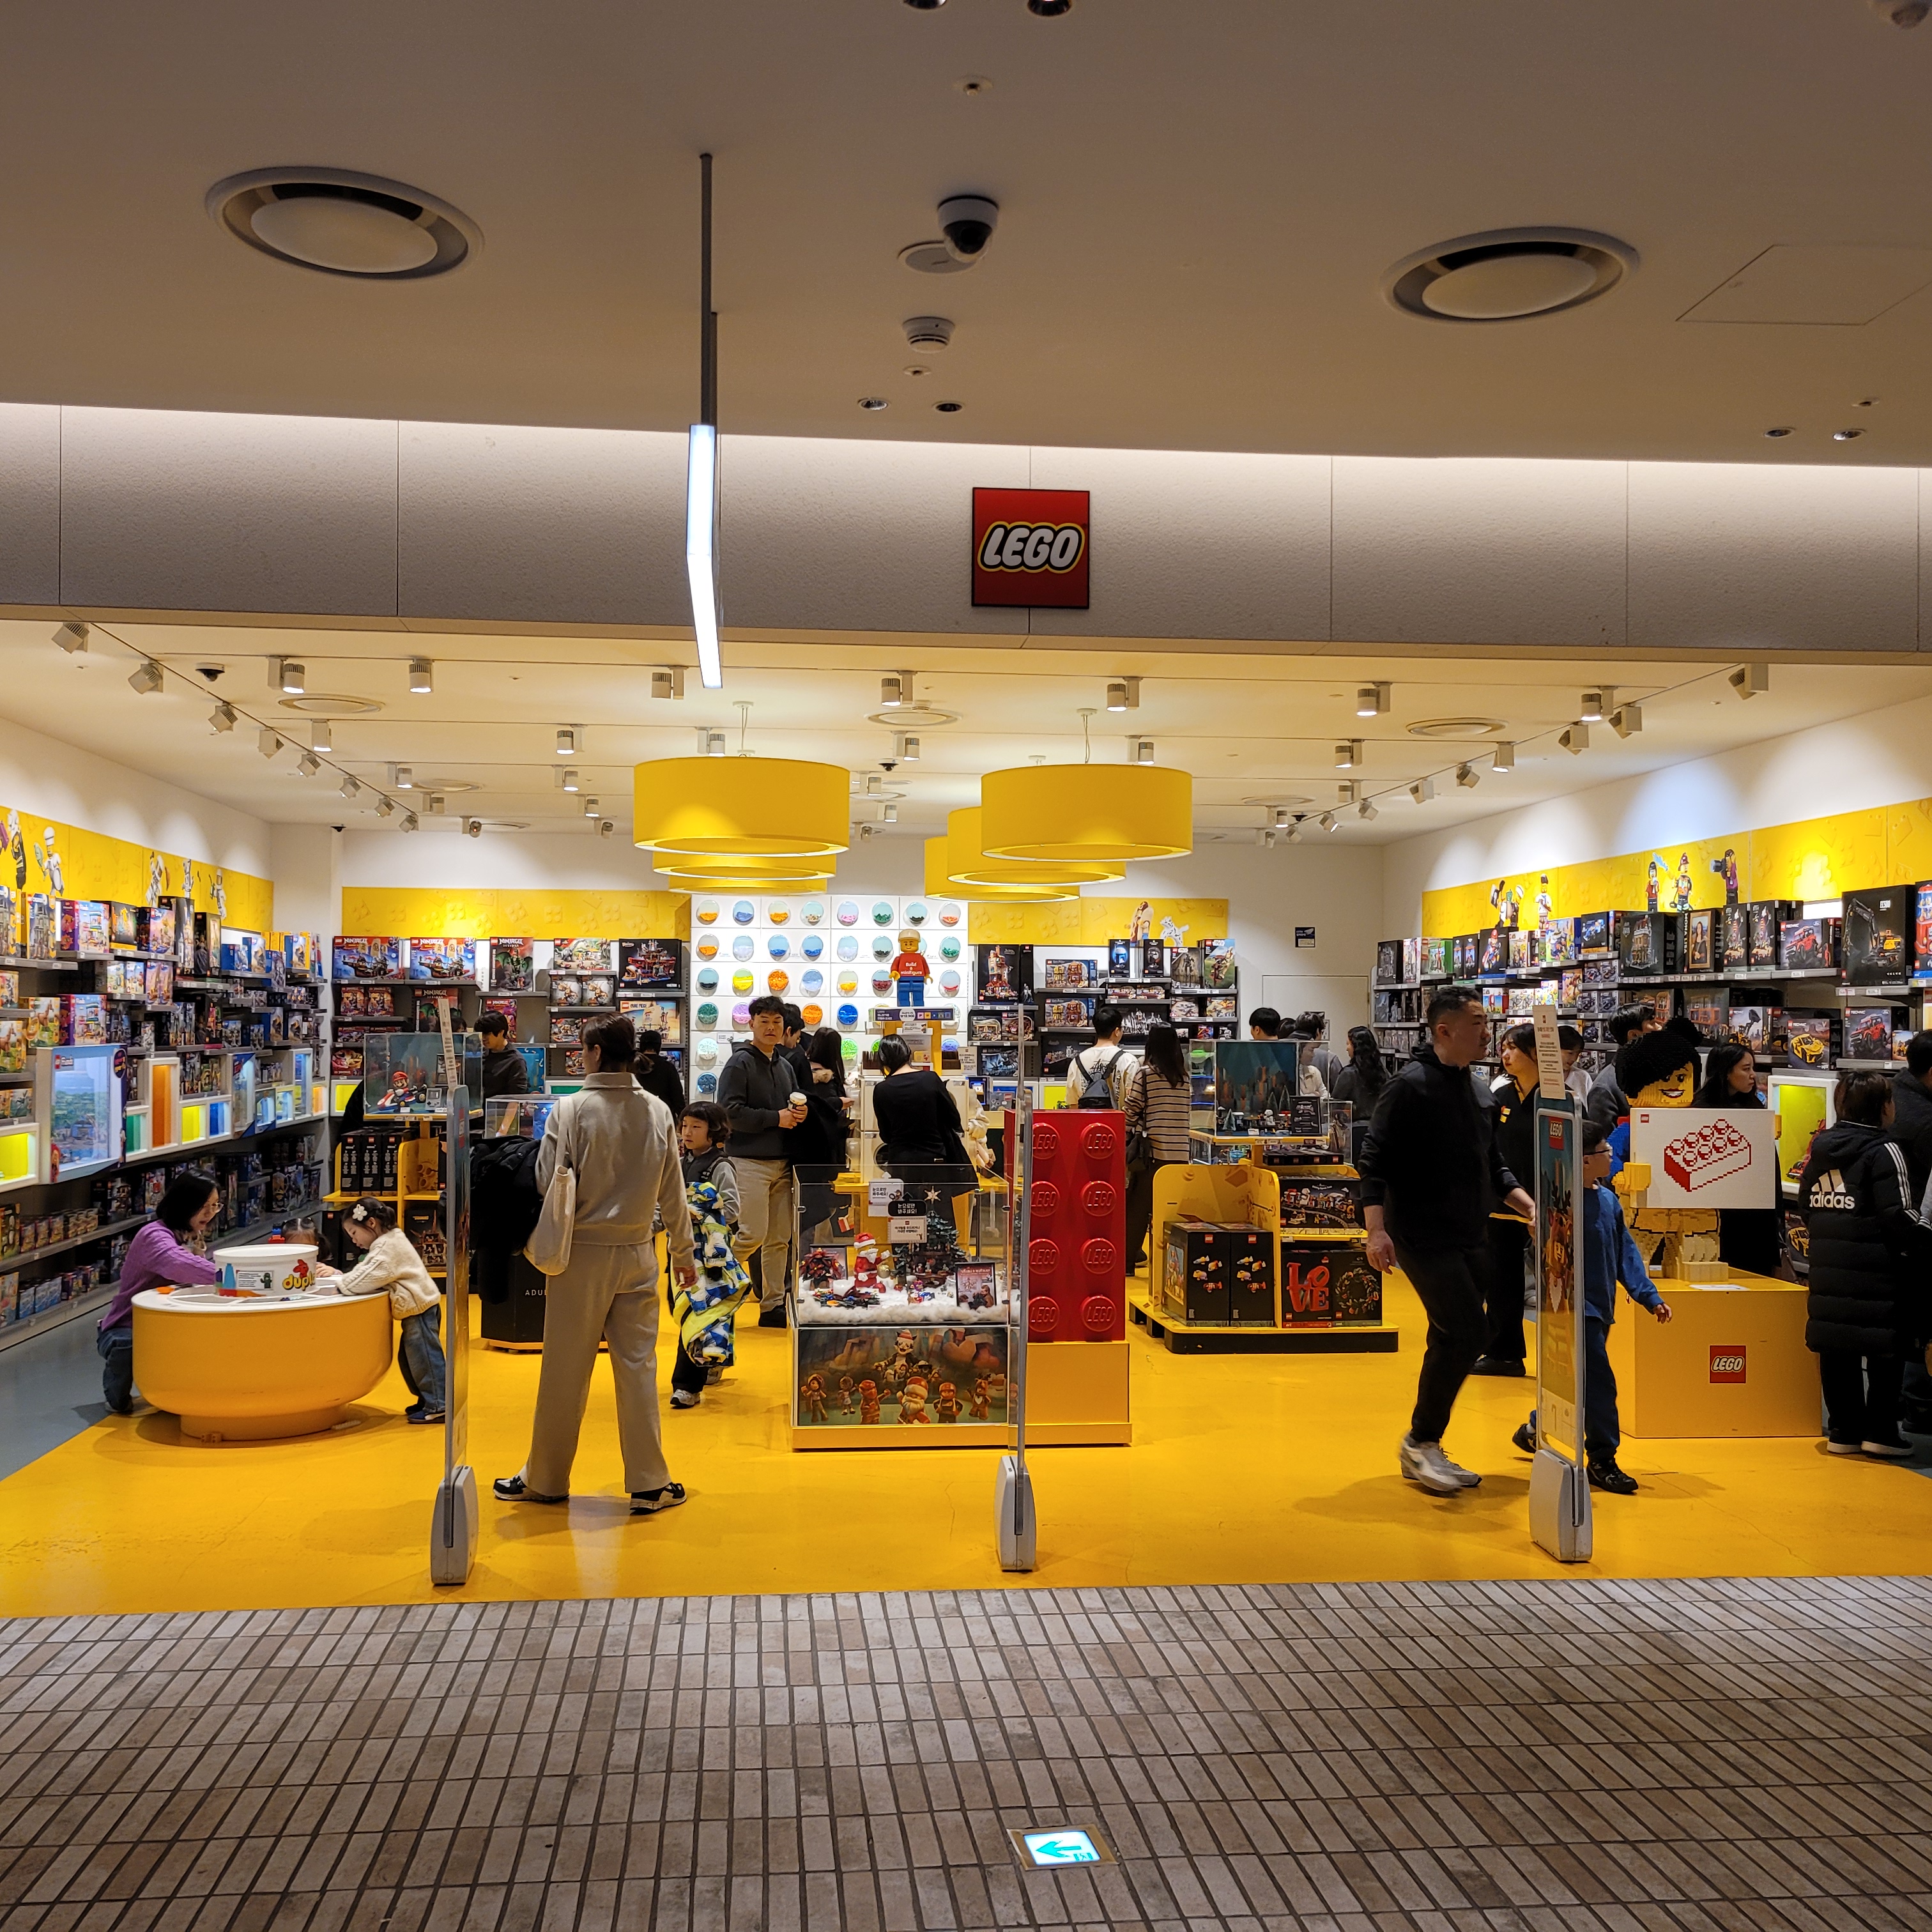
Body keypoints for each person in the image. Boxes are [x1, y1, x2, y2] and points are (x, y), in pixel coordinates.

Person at [493, 1013, 695, 1514]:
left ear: (597, 1053)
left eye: (583, 1049)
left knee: (565, 1370)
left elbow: (547, 1178)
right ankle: (649, 1483)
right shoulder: (657, 1110)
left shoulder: (571, 1109)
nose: (580, 1056)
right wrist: (684, 1253)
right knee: (639, 1368)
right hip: (639, 1252)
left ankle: (546, 1478)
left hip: (579, 1256)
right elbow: (673, 1189)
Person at [1359, 985, 1537, 1496]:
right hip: (1420, 1234)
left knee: (1453, 1334)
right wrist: (1376, 1231)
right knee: (1466, 1331)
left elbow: (1493, 1164)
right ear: (1444, 1030)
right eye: (1477, 1024)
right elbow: (1374, 1161)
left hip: (1471, 1232)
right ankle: (1420, 1440)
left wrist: (1528, 1206)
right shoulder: (1409, 1088)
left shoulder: (1480, 1091)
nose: (1487, 1033)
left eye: (1487, 1023)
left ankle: (1426, 1445)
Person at [1510, 1119, 1671, 1495]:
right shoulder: (1559, 1205)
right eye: (1604, 1151)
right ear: (1583, 1160)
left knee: (1575, 1380)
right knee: (1599, 1385)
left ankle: (1535, 1426)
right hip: (1572, 1311)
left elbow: (1625, 1252)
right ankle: (1602, 1459)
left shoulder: (1609, 1201)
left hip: (1601, 1309)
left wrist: (1649, 1296)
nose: (1611, 1154)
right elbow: (1542, 1259)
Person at [1798, 1070, 1932, 1458]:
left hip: (1827, 1269)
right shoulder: (1885, 1150)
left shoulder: (1821, 1147)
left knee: (1836, 1348)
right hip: (1879, 1272)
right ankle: (1881, 1432)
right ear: (1882, 1107)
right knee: (1884, 1349)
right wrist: (1927, 1234)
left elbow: (1807, 1204)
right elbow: (1899, 1216)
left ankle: (1843, 1431)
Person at [96, 1171, 222, 1414]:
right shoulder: (153, 1236)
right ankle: (115, 1395)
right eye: (203, 1206)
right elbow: (179, 1264)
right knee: (126, 1345)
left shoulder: (191, 1234)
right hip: (129, 1325)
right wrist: (235, 1275)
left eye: (215, 1206)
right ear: (184, 1205)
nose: (210, 1213)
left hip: (170, 1322)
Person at [717, 993, 807, 1326]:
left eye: (777, 1022)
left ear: (784, 1027)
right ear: (751, 1023)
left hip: (782, 1162)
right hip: (748, 1161)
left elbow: (791, 1107)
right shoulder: (739, 1063)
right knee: (752, 1234)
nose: (771, 1027)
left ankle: (772, 1306)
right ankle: (712, 1284)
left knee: (779, 1240)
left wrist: (799, 1115)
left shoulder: (785, 1066)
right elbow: (729, 1112)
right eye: (764, 1021)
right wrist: (776, 1118)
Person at [316, 1195, 445, 1422]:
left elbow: (365, 1277)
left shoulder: (386, 1248)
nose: (354, 1240)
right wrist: (340, 1275)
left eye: (354, 1233)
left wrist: (341, 1283)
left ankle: (438, 1404)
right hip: (419, 1307)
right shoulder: (389, 1240)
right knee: (412, 1359)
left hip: (419, 1309)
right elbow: (367, 1269)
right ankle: (429, 1399)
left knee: (424, 1357)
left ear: (371, 1224)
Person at [668, 1101, 751, 1411]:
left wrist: (697, 1212)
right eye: (684, 1126)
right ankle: (712, 1358)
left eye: (696, 1127)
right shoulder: (680, 1162)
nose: (687, 1132)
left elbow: (732, 1210)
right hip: (680, 1249)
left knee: (700, 1312)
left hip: (711, 1257)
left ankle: (686, 1386)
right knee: (684, 1308)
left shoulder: (720, 1166)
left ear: (713, 1131)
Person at [1471, 1023, 1538, 1377]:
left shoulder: (1561, 1099)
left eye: (1513, 1048)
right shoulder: (1500, 1095)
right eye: (1504, 1048)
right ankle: (1504, 1354)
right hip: (1505, 1205)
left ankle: (1573, 1363)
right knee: (1502, 1283)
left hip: (1550, 1207)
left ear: (1536, 1053)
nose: (1506, 1055)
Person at [1692, 1043, 1782, 1276]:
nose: (1753, 1076)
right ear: (1725, 1072)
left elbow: (1769, 1165)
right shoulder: (1700, 1110)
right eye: (1746, 1069)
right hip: (1717, 1218)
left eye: (1753, 1068)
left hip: (1757, 1219)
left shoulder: (1755, 1107)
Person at [1123, 1022, 1193, 1271]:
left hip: (1153, 1155)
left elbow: (1131, 1110)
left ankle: (1128, 1262)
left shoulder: (1146, 1075)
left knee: (1138, 1209)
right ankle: (1172, 1266)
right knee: (1171, 1211)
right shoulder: (1185, 1078)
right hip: (1181, 1156)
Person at [871, 1033, 969, 1169]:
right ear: (908, 1053)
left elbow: (886, 1136)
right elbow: (954, 1119)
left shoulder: (881, 1089)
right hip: (935, 1159)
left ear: (883, 1060)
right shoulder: (931, 1079)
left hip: (900, 1161)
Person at [790, 1026, 850, 1236]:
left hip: (806, 1147)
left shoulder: (801, 1068)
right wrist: (841, 1103)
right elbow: (824, 1107)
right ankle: (818, 1247)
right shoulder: (827, 1077)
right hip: (824, 1147)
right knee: (821, 1203)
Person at [1583, 1003, 1660, 1131]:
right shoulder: (1604, 1089)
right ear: (1634, 1035)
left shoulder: (1664, 1075)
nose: (1659, 1028)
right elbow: (1604, 1140)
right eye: (1652, 1024)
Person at [1065, 1006, 1131, 1108]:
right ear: (1117, 1031)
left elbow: (1073, 1104)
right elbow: (1133, 1102)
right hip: (1119, 1118)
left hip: (1086, 1118)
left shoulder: (1077, 1062)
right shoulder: (1128, 1061)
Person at [632, 1027, 686, 1119]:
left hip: (637, 1116)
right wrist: (683, 1119)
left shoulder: (633, 1065)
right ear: (659, 1046)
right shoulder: (668, 1067)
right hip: (664, 1116)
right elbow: (678, 1098)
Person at [477, 1011, 530, 1100]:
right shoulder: (480, 1054)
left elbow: (516, 1098)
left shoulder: (515, 1060)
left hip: (500, 1108)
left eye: (487, 1034)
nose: (483, 1038)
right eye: (481, 1034)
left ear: (501, 1032)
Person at [1292, 1012, 1344, 1093]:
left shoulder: (1289, 1057)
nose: (1313, 1055)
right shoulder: (1330, 1059)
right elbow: (1340, 1092)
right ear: (1318, 1032)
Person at [1558, 1024, 1593, 1113]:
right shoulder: (1539, 1076)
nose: (1574, 1058)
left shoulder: (1583, 1077)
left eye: (1578, 1054)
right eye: (1570, 1053)